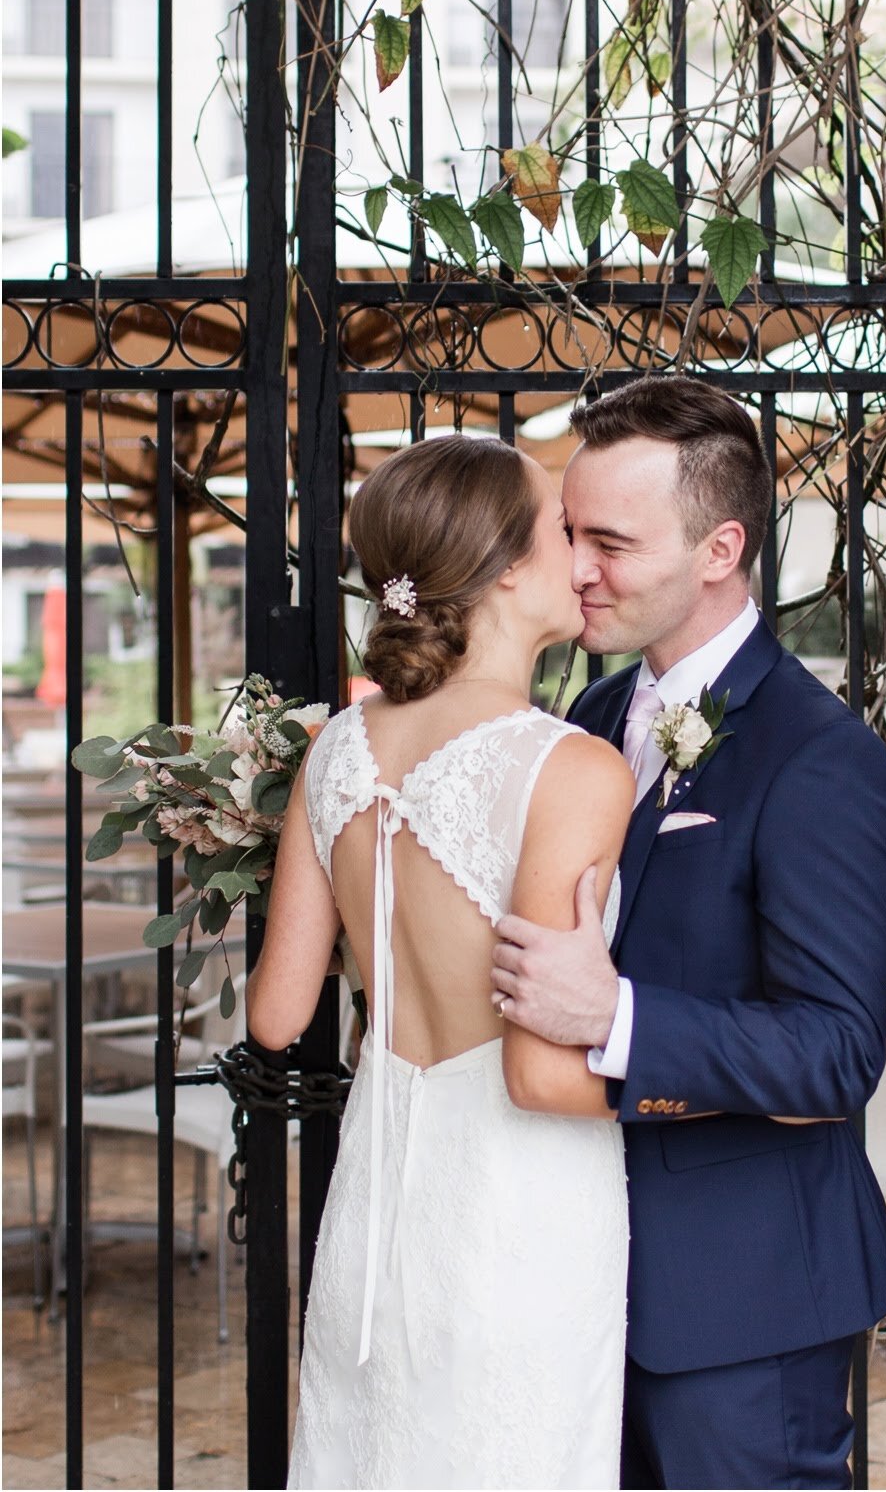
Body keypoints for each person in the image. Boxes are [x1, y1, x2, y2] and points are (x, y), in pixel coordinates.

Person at [491, 377, 886, 1492]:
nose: (576, 567)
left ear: (720, 547)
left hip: (742, 1297)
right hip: (582, 1274)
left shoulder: (822, 758)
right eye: (570, 533)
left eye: (610, 542)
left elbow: (833, 1054)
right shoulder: (583, 719)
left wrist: (614, 1018)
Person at [249, 433, 636, 1490]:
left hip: (375, 1202)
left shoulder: (336, 745)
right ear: (510, 566)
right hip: (522, 1205)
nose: (584, 555)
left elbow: (277, 1014)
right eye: (564, 526)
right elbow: (543, 1055)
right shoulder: (572, 767)